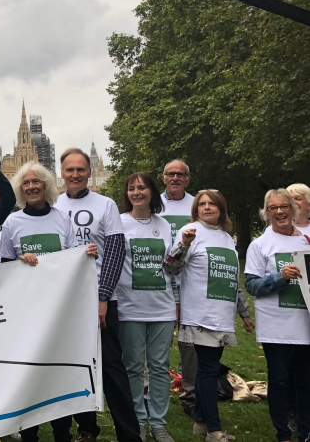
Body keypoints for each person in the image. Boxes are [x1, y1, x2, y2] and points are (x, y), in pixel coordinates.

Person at [0, 161, 97, 442]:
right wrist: (19, 262)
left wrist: (86, 255)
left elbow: (73, 260)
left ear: (46, 185)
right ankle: (29, 434)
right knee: (30, 376)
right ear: (21, 189)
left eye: (36, 182)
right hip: (26, 313)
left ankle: (62, 433)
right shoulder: (12, 223)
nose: (31, 187)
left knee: (57, 377)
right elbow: (4, 270)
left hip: (58, 314)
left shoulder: (62, 219)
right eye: (26, 183)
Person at [53, 148, 140, 442]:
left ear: (89, 172)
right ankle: (87, 430)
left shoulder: (105, 204)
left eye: (80, 169)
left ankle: (130, 434)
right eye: (69, 170)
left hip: (100, 301)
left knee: (112, 370)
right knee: (74, 370)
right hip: (65, 303)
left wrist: (102, 297)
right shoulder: (53, 204)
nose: (75, 174)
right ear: (61, 173)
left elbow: (115, 251)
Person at [165, 190, 241, 442]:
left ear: (221, 209)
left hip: (222, 314)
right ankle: (213, 430)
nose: (207, 208)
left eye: (213, 204)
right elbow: (172, 267)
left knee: (206, 370)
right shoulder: (190, 232)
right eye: (202, 204)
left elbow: (232, 277)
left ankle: (199, 420)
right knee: (208, 369)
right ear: (196, 209)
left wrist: (244, 312)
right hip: (200, 314)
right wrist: (184, 244)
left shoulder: (227, 237)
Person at [245, 189, 310, 442]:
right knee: (280, 382)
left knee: (305, 383)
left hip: (305, 325)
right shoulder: (260, 245)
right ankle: (282, 432)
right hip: (277, 328)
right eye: (273, 208)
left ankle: (305, 431)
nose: (280, 212)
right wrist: (279, 278)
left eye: (284, 207)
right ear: (267, 213)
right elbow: (252, 285)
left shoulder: (305, 242)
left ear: (293, 210)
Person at [115, 173, 176, 442]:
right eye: (132, 188)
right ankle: (138, 420)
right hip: (130, 307)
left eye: (142, 187)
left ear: (152, 192)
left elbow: (172, 266)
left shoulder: (164, 225)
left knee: (160, 367)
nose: (137, 192)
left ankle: (159, 424)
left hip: (161, 307)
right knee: (133, 368)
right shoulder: (118, 222)